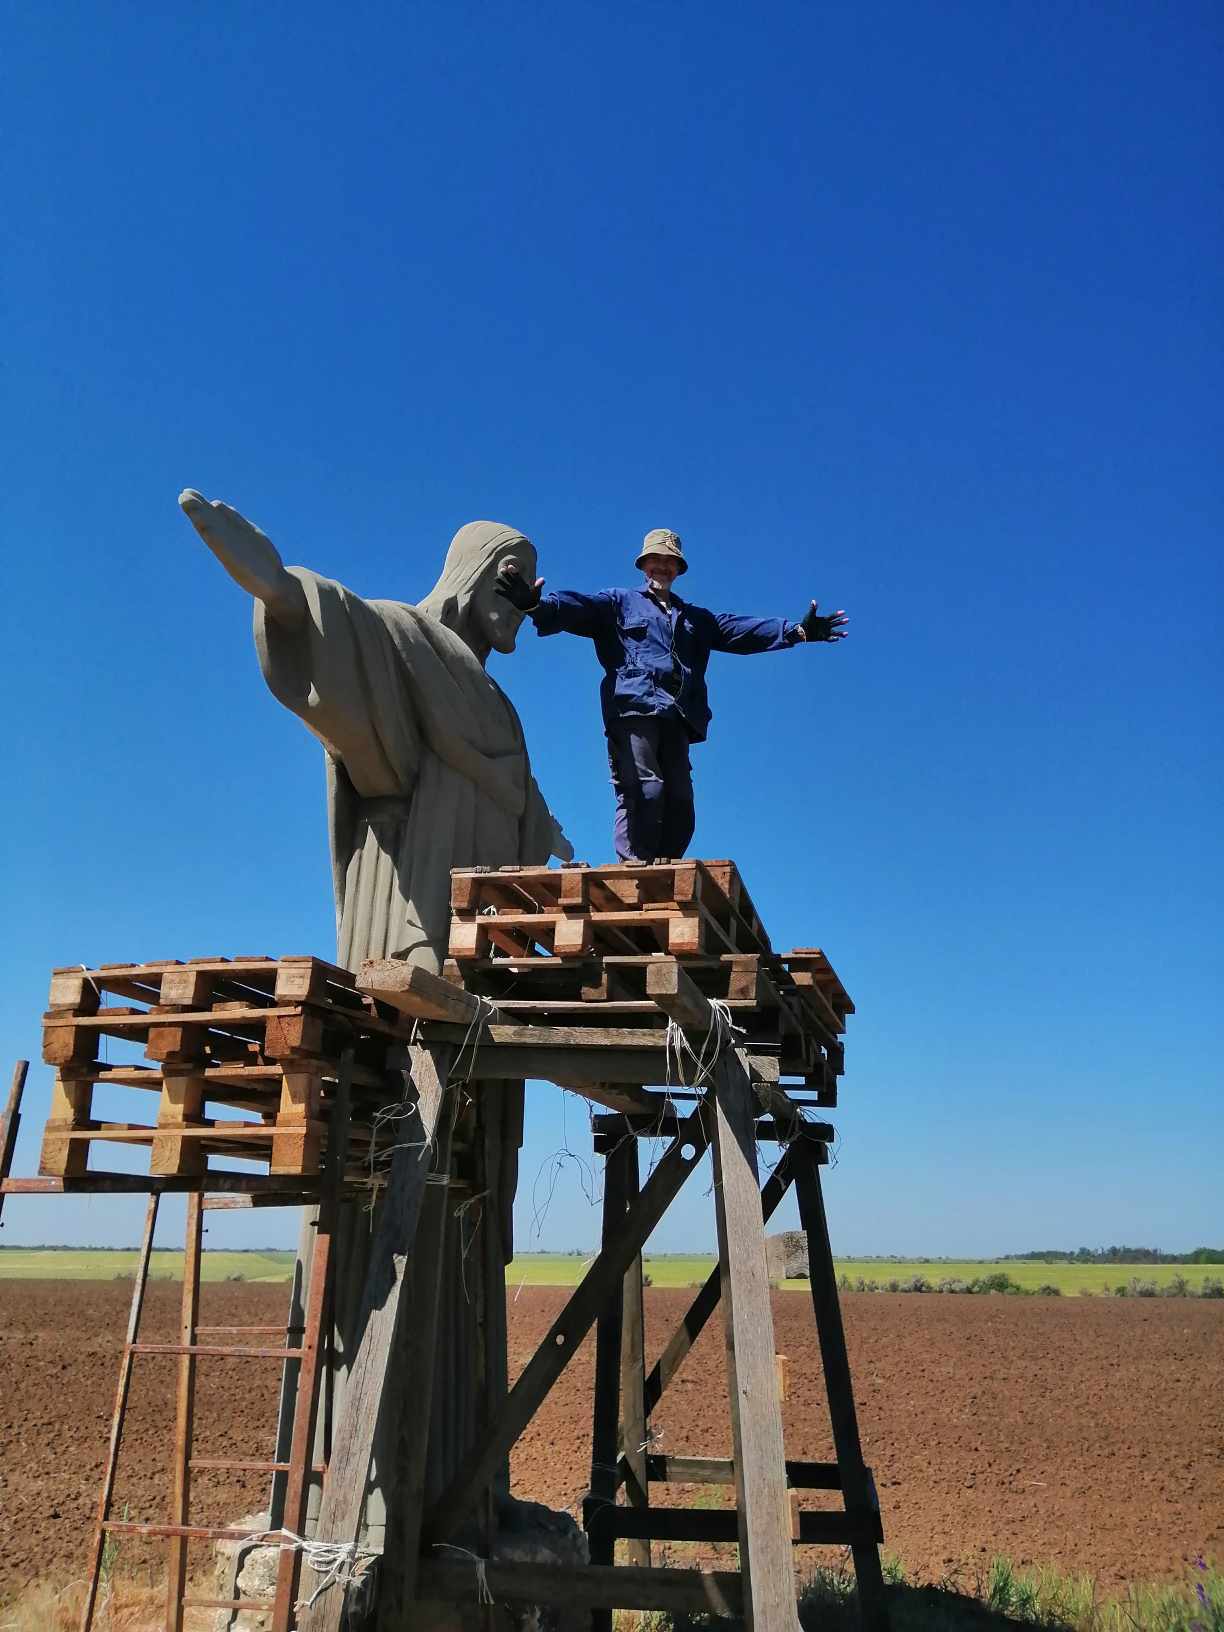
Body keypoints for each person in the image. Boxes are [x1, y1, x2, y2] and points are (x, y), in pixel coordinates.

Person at [496, 528, 847, 861]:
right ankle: (634, 869)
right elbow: (577, 608)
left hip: (678, 716)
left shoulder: (694, 619)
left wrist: (797, 631)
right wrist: (535, 607)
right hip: (634, 711)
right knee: (643, 789)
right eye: (655, 559)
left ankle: (663, 870)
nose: (662, 566)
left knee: (680, 805)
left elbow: (742, 631)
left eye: (670, 561)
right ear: (643, 564)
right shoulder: (619, 603)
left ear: (678, 569)